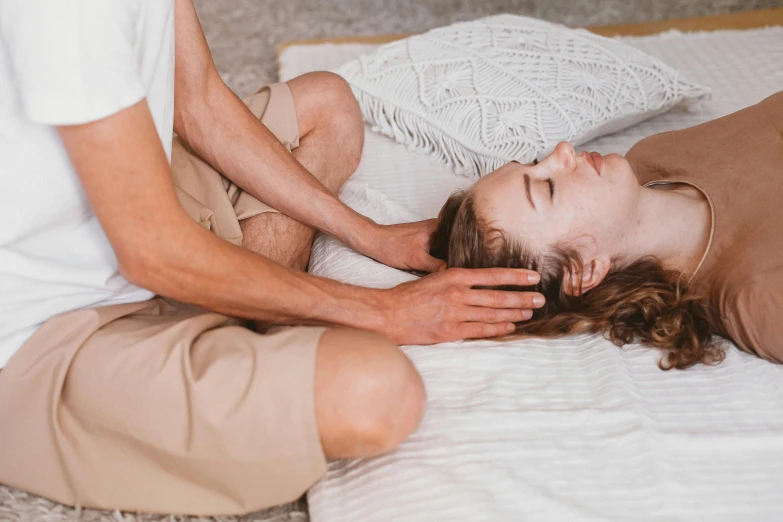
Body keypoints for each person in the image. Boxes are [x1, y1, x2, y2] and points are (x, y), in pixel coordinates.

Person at [0, 0, 546, 516]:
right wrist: (385, 311)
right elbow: (153, 252)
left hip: (138, 190)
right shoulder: (67, 14)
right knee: (375, 393)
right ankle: (240, 317)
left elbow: (198, 98)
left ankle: (249, 308)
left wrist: (366, 234)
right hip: (46, 331)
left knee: (327, 104)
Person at [430, 91, 783, 370]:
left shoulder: (653, 156)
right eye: (549, 187)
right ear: (584, 270)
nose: (562, 151)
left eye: (537, 163)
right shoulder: (757, 299)